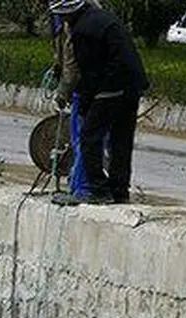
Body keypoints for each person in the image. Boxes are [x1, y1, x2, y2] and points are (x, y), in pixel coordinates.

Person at [49, 0, 150, 205]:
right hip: (133, 85)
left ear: (67, 14)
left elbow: (87, 72)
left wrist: (83, 104)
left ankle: (98, 189)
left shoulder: (82, 31)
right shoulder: (105, 18)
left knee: (89, 136)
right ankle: (119, 191)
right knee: (121, 140)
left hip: (111, 86)